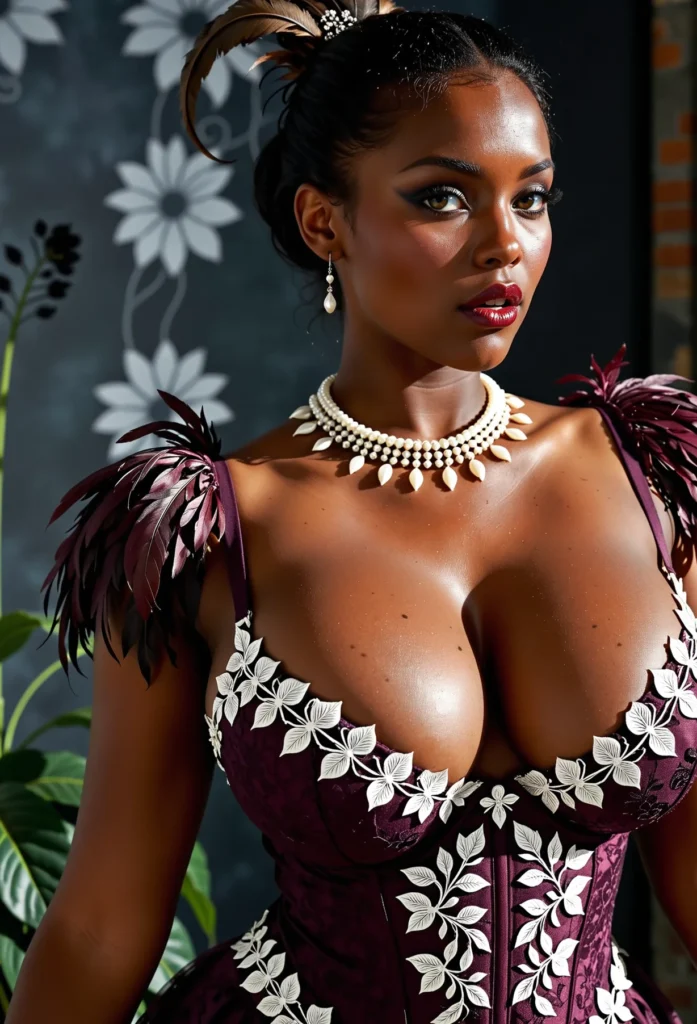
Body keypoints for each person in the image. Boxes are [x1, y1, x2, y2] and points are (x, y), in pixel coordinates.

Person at [8, 2, 697, 1022]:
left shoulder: (657, 477)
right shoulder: (200, 532)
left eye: (533, 198)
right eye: (441, 199)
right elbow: (104, 923)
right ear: (323, 220)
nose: (504, 245)